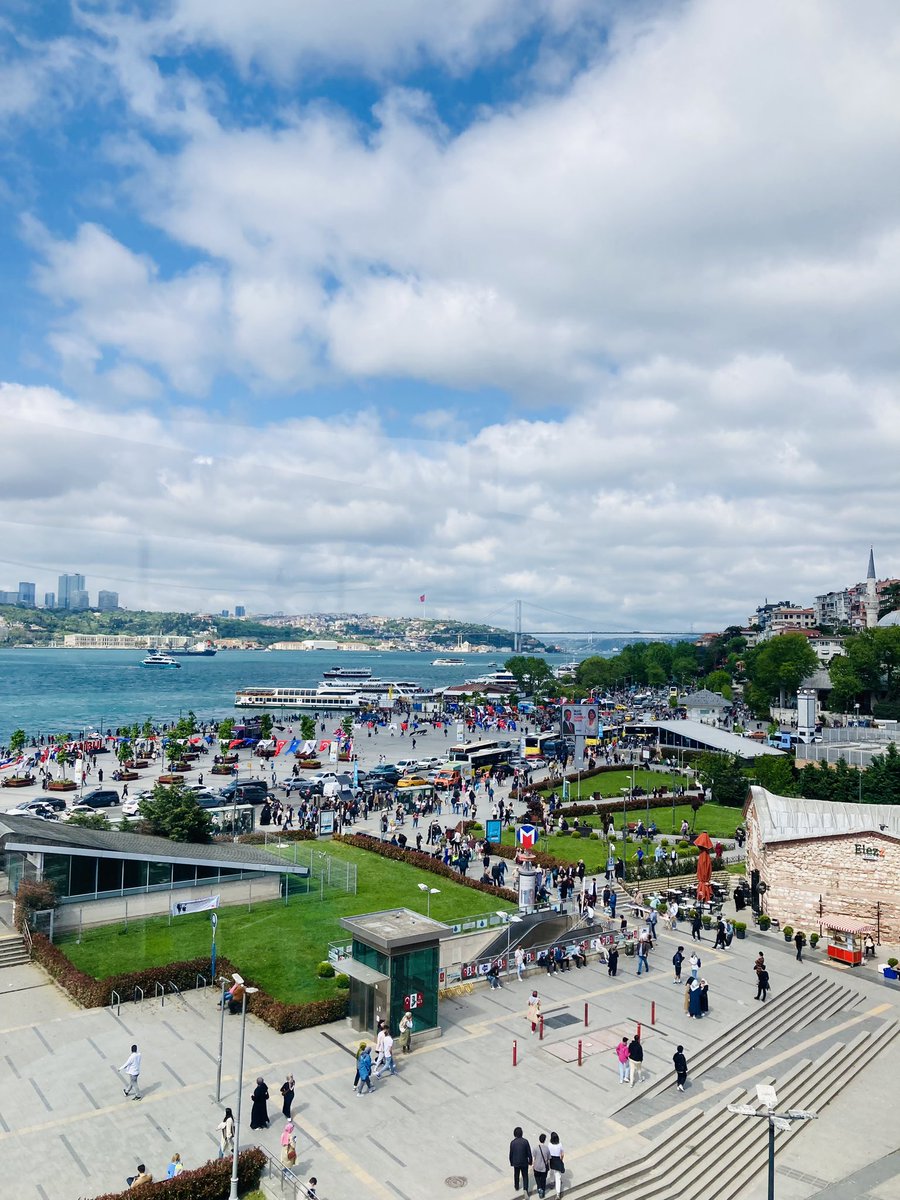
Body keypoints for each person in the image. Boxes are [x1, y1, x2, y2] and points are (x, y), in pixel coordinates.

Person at [509, 1125, 532, 1195]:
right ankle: (525, 1189)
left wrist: (511, 1162)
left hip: (516, 1162)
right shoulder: (525, 1141)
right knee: (525, 1176)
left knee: (516, 1174)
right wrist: (530, 1161)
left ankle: (516, 1186)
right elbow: (529, 1153)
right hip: (524, 1162)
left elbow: (511, 1154)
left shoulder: (512, 1143)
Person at [532, 1132, 551, 1199]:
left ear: (539, 1139)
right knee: (543, 1180)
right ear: (544, 1140)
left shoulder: (535, 1148)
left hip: (536, 1167)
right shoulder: (547, 1149)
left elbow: (534, 1158)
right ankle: (542, 1191)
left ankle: (539, 1188)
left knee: (537, 1178)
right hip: (544, 1168)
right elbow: (549, 1159)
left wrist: (533, 1165)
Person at [547, 1131, 565, 1197]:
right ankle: (558, 1194)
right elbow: (562, 1154)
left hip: (551, 1160)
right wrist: (561, 1160)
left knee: (551, 1172)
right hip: (557, 1160)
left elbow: (548, 1153)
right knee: (558, 1177)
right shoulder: (560, 1144)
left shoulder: (549, 1144)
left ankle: (552, 1182)